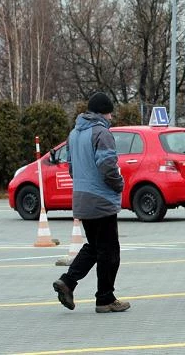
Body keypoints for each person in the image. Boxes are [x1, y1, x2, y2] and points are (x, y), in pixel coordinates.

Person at [52, 91, 130, 313]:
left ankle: (67, 282)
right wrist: (119, 185)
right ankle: (105, 298)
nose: (112, 118)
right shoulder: (101, 133)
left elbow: (71, 168)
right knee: (110, 252)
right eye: (110, 113)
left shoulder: (75, 134)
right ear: (103, 113)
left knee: (94, 247)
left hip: (82, 199)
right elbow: (107, 166)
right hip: (102, 199)